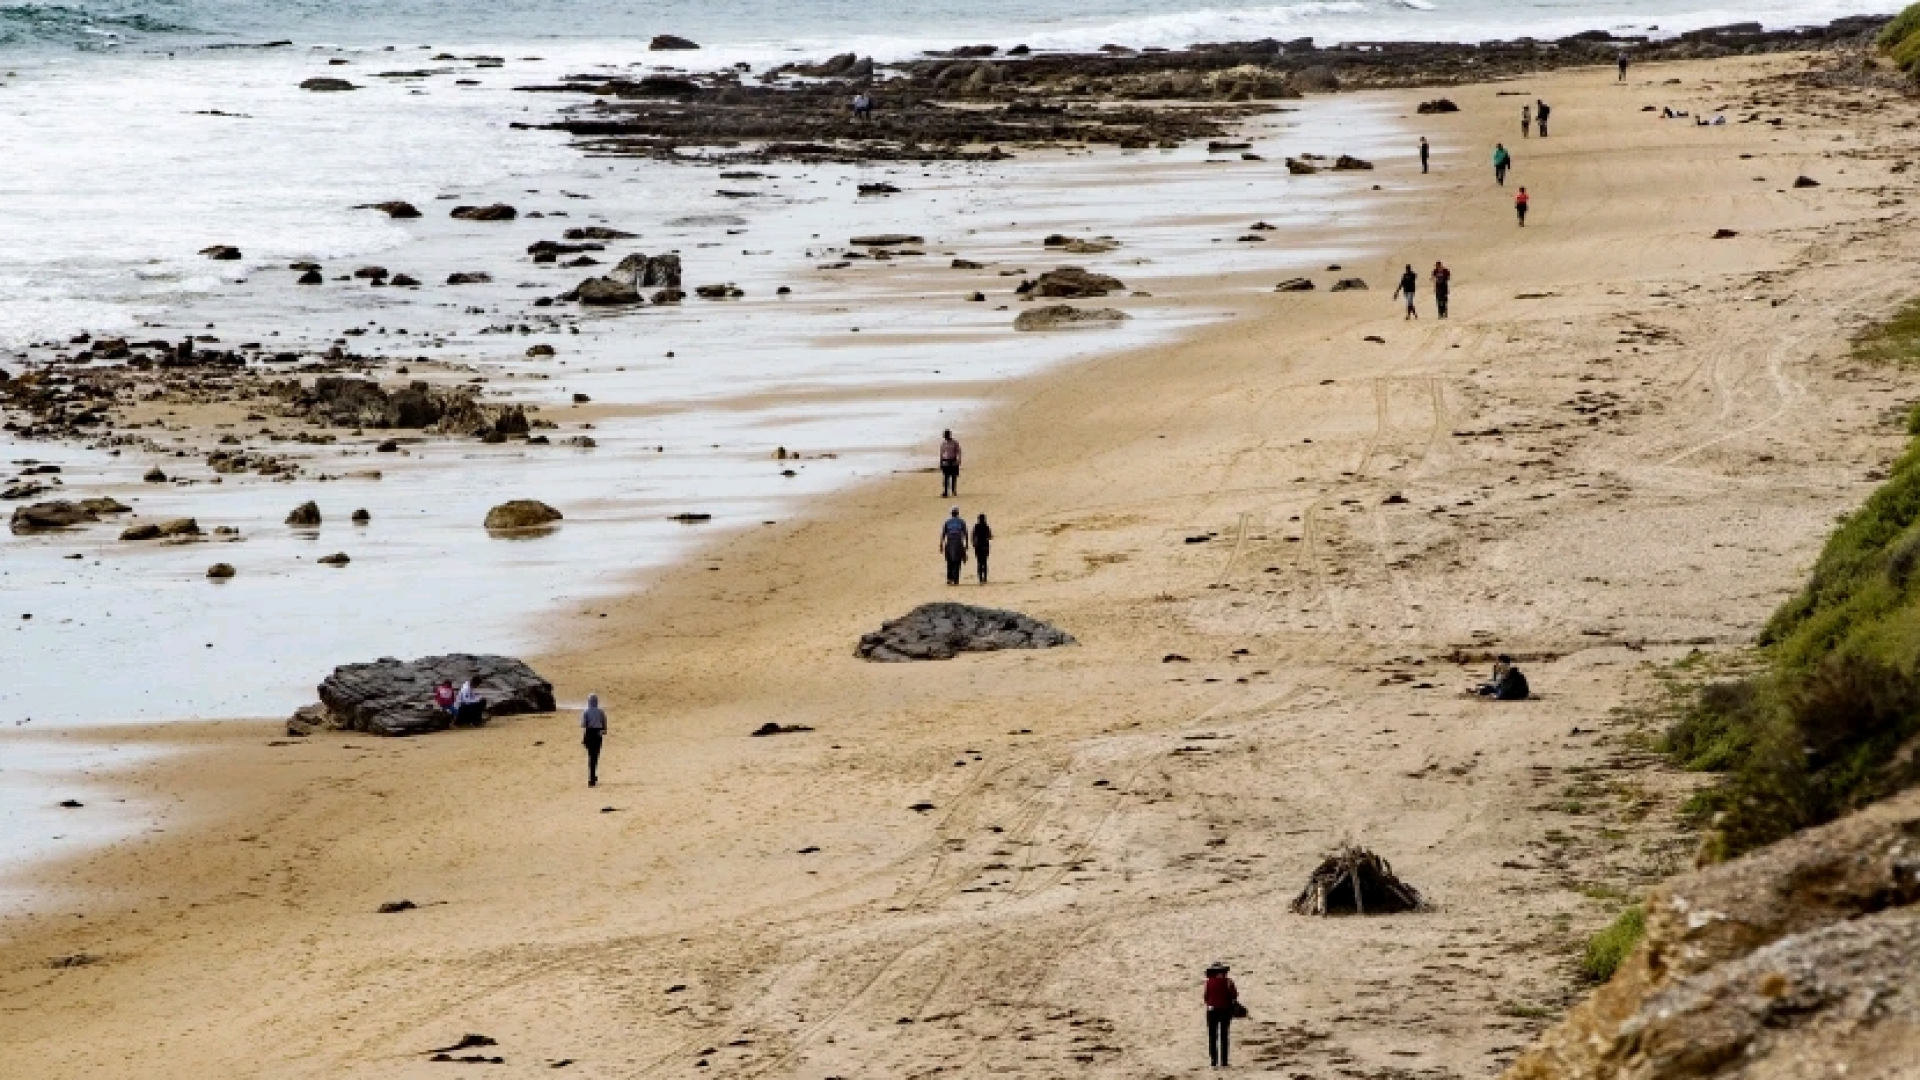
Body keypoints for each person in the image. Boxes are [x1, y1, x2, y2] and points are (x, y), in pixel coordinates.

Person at [1204, 963, 1240, 1068]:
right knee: (1224, 1036)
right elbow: (1235, 995)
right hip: (1225, 1011)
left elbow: (1206, 998)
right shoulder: (1228, 981)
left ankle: (1214, 1062)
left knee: (1212, 1037)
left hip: (1211, 1011)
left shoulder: (1209, 982)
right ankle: (1224, 1062)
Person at [580, 693, 607, 787]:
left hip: (589, 734)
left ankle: (592, 777)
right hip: (598, 734)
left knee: (591, 756)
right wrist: (603, 730)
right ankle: (592, 776)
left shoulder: (586, 711)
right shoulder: (601, 712)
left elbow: (583, 724)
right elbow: (604, 723)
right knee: (595, 756)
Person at [939, 429, 962, 497]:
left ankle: (953, 490)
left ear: (949, 435)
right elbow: (941, 453)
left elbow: (958, 451)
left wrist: (959, 460)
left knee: (954, 477)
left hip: (953, 461)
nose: (945, 436)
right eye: (944, 435)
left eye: (946, 435)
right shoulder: (943, 443)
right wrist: (941, 462)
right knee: (946, 477)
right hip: (946, 461)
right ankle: (945, 491)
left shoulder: (955, 442)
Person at [972, 513, 992, 584]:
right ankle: (985, 578)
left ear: (978, 519)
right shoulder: (986, 526)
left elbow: (973, 536)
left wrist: (974, 544)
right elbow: (990, 537)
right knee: (985, 562)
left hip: (978, 546)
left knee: (979, 563)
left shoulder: (976, 526)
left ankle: (980, 579)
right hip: (985, 546)